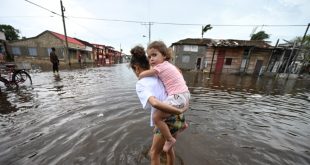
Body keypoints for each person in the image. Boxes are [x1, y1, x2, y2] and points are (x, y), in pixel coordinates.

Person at [130, 45, 188, 165]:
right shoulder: (160, 73)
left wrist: (177, 111)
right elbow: (177, 72)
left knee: (154, 153)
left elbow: (155, 103)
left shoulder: (141, 84)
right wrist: (179, 111)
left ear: (136, 68)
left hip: (168, 116)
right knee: (169, 148)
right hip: (178, 115)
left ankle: (169, 139)